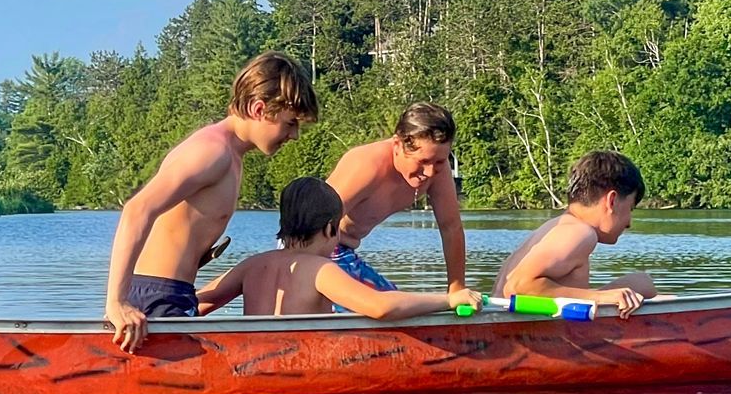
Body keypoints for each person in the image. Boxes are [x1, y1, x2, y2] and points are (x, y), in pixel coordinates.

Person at [103, 52, 317, 351]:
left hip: (174, 292)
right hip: (156, 296)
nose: (293, 135)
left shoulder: (232, 156)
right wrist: (116, 302)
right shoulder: (211, 151)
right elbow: (137, 210)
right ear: (259, 109)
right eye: (290, 123)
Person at [198, 177, 483, 320]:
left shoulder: (252, 264)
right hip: (299, 371)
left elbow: (199, 304)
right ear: (329, 229)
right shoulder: (321, 270)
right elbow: (381, 307)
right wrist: (449, 300)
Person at [324, 103, 469, 304]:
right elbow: (313, 222)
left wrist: (457, 290)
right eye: (423, 161)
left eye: (439, 161)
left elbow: (451, 227)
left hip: (346, 253)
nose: (429, 172)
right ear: (398, 145)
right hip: (313, 249)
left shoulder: (438, 170)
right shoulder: (367, 165)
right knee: (391, 308)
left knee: (404, 309)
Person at [494, 150, 656, 317]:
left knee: (642, 283)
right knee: (640, 284)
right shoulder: (580, 232)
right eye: (630, 208)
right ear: (612, 201)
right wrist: (600, 297)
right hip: (515, 332)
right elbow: (516, 287)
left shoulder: (558, 226)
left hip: (507, 326)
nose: (629, 222)